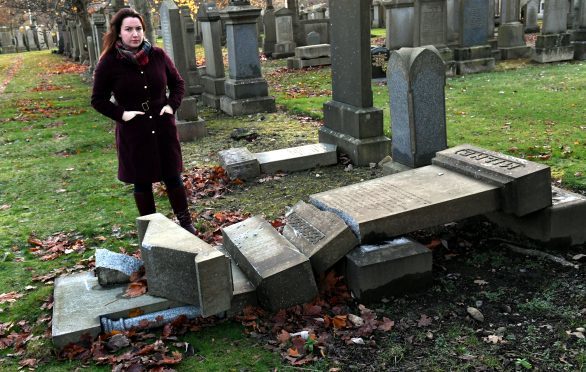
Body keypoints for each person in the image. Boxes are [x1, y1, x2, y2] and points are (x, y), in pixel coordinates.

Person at [91, 8, 196, 235]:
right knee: (142, 182)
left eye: (138, 29)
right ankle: (153, 232)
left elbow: (177, 83)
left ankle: (186, 223)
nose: (134, 34)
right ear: (118, 33)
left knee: (173, 177)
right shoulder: (109, 63)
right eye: (128, 29)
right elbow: (97, 100)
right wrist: (122, 115)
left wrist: (171, 106)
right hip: (134, 132)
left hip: (162, 127)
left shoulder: (157, 55)